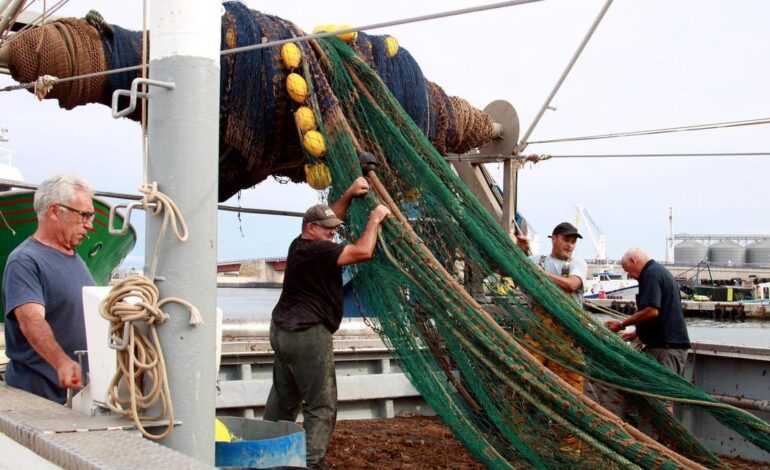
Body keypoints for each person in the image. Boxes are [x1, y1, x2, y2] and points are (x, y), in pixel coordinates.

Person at [263, 176, 391, 470]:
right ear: (311, 229)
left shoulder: (299, 245)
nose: (334, 235)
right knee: (321, 406)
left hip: (281, 331)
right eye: (329, 231)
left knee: (284, 400)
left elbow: (330, 218)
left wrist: (347, 195)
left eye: (335, 230)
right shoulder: (321, 251)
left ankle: (266, 457)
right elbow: (363, 252)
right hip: (307, 334)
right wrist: (375, 218)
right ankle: (310, 464)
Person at [2, 174, 95, 404]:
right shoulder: (24, 261)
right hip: (38, 400)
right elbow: (30, 319)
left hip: (74, 398)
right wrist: (61, 362)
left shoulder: (75, 258)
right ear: (54, 211)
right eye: (83, 215)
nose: (89, 224)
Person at [605, 248, 691, 376]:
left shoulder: (650, 274)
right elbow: (662, 312)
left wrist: (622, 324)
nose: (630, 276)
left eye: (628, 270)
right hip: (665, 347)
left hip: (666, 350)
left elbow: (651, 311)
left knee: (661, 394)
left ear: (633, 261)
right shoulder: (658, 271)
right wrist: (637, 332)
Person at [518, 222, 588, 304]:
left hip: (566, 316)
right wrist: (519, 251)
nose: (570, 245)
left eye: (573, 242)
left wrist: (542, 274)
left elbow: (571, 285)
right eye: (566, 240)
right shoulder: (534, 260)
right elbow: (506, 273)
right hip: (538, 315)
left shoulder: (577, 263)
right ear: (554, 239)